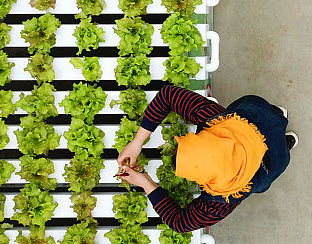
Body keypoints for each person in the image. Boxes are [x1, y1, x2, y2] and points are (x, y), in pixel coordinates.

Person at [115, 84, 297, 231]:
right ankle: (279, 121)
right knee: (272, 120)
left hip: (268, 165)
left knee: (277, 159)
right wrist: (137, 142)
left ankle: (284, 142)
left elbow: (179, 222)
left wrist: (147, 183)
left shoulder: (221, 201)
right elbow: (168, 95)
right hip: (256, 118)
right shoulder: (215, 120)